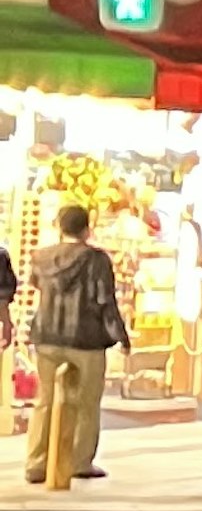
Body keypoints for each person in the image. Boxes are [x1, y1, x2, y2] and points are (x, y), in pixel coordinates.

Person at [21, 202, 129, 493]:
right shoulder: (96, 260)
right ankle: (79, 462)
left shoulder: (40, 258)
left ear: (58, 226)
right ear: (87, 227)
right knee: (86, 403)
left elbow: (35, 285)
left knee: (44, 400)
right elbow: (106, 300)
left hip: (47, 337)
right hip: (87, 339)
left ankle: (36, 463)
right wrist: (121, 335)